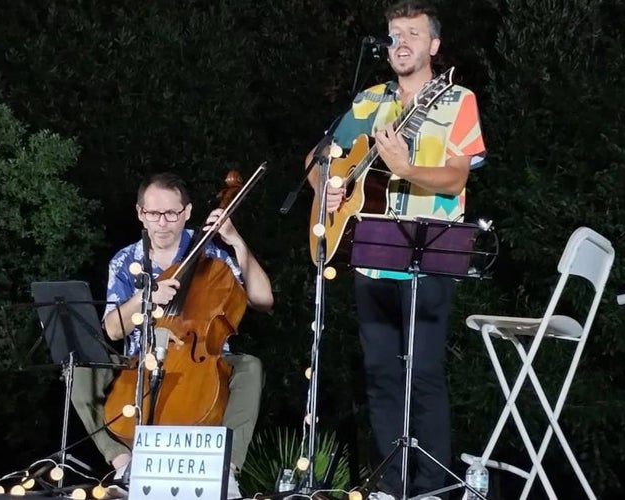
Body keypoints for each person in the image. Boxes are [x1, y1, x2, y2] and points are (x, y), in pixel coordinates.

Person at [306, 1, 486, 499]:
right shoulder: (369, 101)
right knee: (381, 375)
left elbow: (457, 174)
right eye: (393, 34)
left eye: (412, 33)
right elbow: (317, 158)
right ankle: (391, 482)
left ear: (433, 46)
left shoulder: (456, 100)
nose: (400, 42)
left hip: (429, 256)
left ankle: (432, 488)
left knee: (423, 375)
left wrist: (406, 170)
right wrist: (330, 184)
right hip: (370, 256)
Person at [71, 172, 273, 499]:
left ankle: (227, 471)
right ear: (140, 213)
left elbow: (263, 300)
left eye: (171, 214)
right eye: (153, 214)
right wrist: (145, 299)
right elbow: (110, 329)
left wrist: (237, 242)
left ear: (187, 212)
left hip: (201, 362)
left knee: (250, 366)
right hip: (138, 363)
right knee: (79, 368)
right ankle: (123, 464)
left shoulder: (210, 255)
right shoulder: (126, 261)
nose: (162, 223)